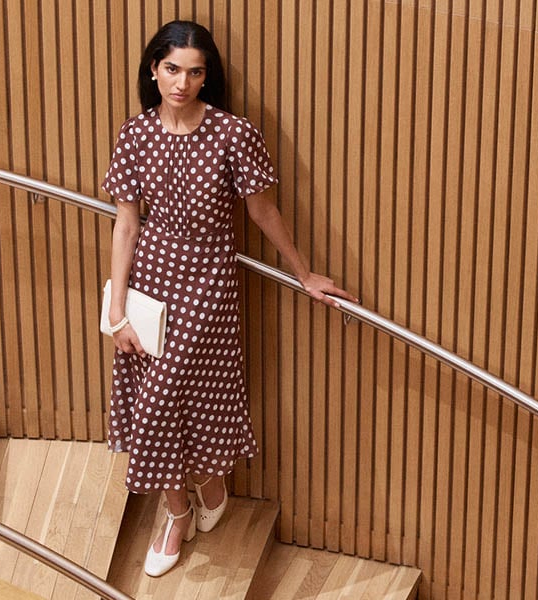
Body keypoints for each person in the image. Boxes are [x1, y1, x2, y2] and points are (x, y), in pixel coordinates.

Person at [101, 20, 357, 578]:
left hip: (208, 286)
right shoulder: (134, 134)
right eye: (172, 69)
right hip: (148, 285)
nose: (182, 82)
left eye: (195, 72)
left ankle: (203, 489)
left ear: (206, 76)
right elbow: (126, 226)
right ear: (153, 69)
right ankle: (179, 509)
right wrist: (116, 311)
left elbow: (264, 211)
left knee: (172, 400)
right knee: (153, 397)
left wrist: (304, 272)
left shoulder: (233, 134)